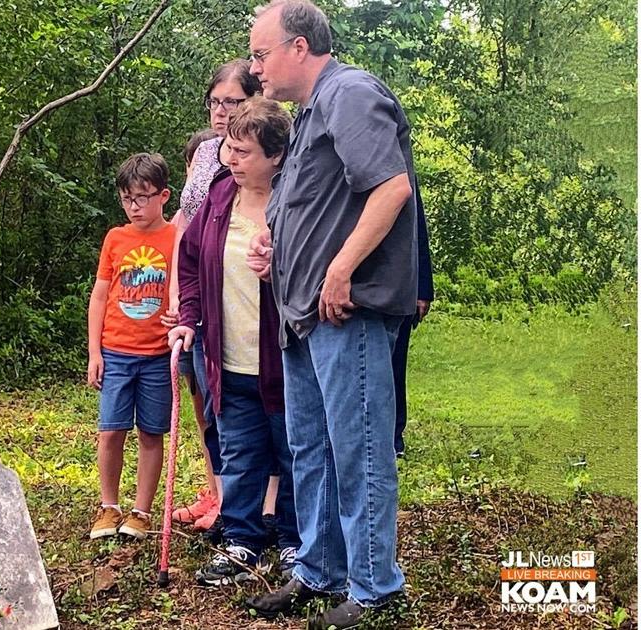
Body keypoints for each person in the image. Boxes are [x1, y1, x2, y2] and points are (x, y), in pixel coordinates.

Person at [242, 2, 417, 628]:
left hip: (348, 313)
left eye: (261, 54)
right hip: (303, 318)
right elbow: (312, 209)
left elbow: (390, 187)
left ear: (297, 47)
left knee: (360, 449)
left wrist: (339, 268)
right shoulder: (310, 112)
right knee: (310, 448)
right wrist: (275, 250)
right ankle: (320, 573)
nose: (254, 67)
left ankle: (374, 590)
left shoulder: (349, 92)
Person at [169, 97, 300, 586]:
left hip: (285, 359)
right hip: (226, 355)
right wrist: (188, 317)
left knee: (292, 452)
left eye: (243, 152)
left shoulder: (296, 200)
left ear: (276, 156)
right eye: (229, 148)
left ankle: (293, 544)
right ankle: (242, 542)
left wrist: (279, 272)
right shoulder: (220, 194)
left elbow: (317, 273)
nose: (230, 160)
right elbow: (190, 261)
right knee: (239, 452)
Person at [167, 60, 263, 534]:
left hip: (243, 296)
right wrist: (175, 293)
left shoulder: (268, 154)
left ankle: (261, 506)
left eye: (234, 102)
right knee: (205, 395)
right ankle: (221, 494)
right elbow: (184, 224)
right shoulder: (206, 153)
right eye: (217, 102)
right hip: (197, 293)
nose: (223, 111)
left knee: (247, 400)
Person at [87, 153, 177, 541]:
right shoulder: (115, 238)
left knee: (150, 433)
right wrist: (95, 352)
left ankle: (141, 511)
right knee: (111, 431)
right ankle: (108, 506)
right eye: (127, 198)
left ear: (164, 196)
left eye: (143, 197)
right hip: (117, 353)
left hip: (158, 354)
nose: (135, 206)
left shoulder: (177, 236)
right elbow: (100, 296)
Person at [394, 189, 434, 457]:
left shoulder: (401, 166)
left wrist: (423, 288)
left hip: (401, 288)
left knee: (395, 367)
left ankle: (395, 438)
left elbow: (416, 225)